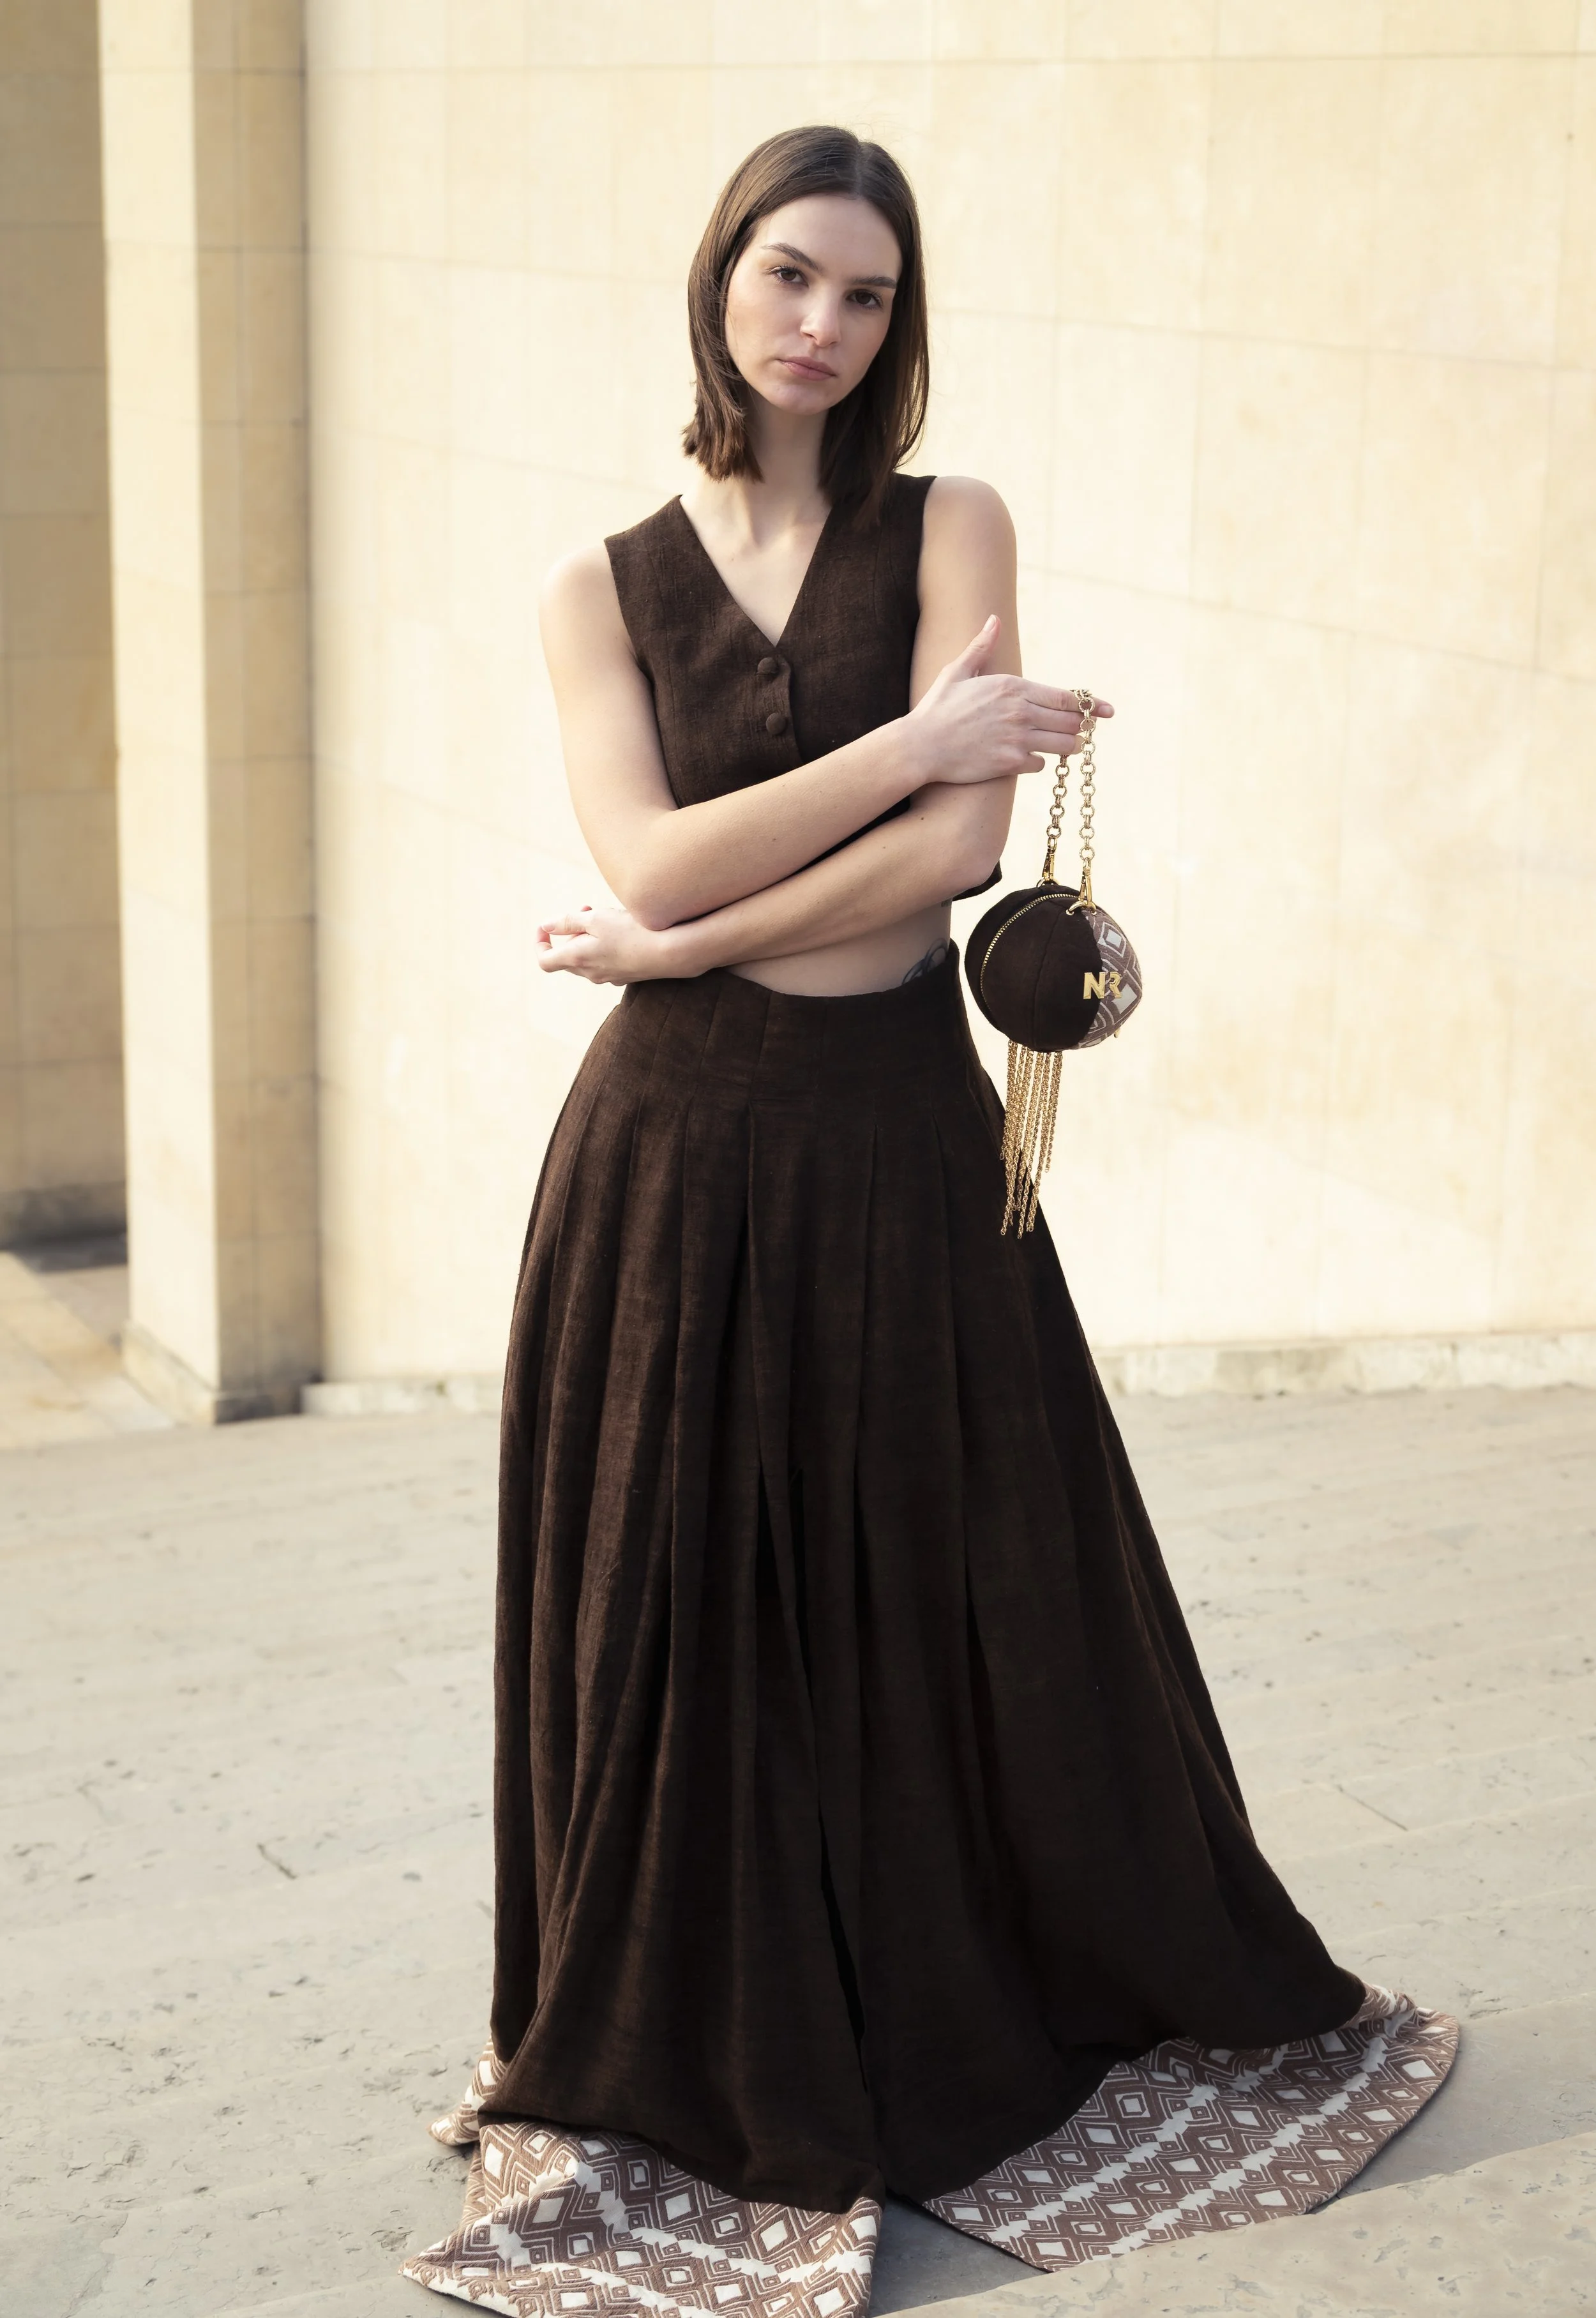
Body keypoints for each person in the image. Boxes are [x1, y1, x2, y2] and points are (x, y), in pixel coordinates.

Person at [412, 131, 1447, 2285]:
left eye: (866, 294)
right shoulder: (594, 582)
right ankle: (689, 2031)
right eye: (789, 275)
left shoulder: (947, 521)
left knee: (959, 1582)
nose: (821, 322)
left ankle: (959, 1990)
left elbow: (957, 848)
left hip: (894, 1128)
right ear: (718, 281)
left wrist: (746, 886)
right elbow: (653, 863)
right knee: (682, 1618)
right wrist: (872, 770)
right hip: (670, 1158)